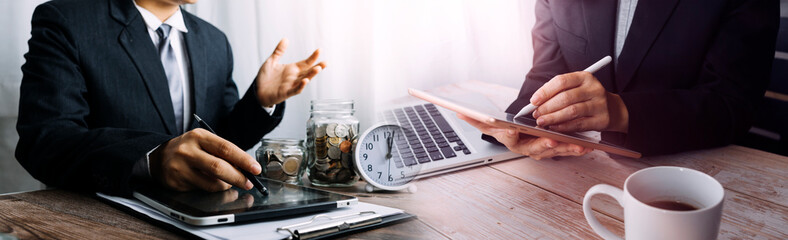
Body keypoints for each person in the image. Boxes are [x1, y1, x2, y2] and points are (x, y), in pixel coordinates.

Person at [16, 0, 326, 196]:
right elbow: (45, 142)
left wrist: (259, 101)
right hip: (104, 216)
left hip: (202, 216)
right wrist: (153, 159)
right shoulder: (65, 20)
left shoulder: (214, 41)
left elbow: (221, 139)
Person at [460, 0, 779, 159]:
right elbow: (548, 74)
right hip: (580, 175)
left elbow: (731, 103)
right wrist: (518, 127)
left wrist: (621, 112)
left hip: (696, 175)